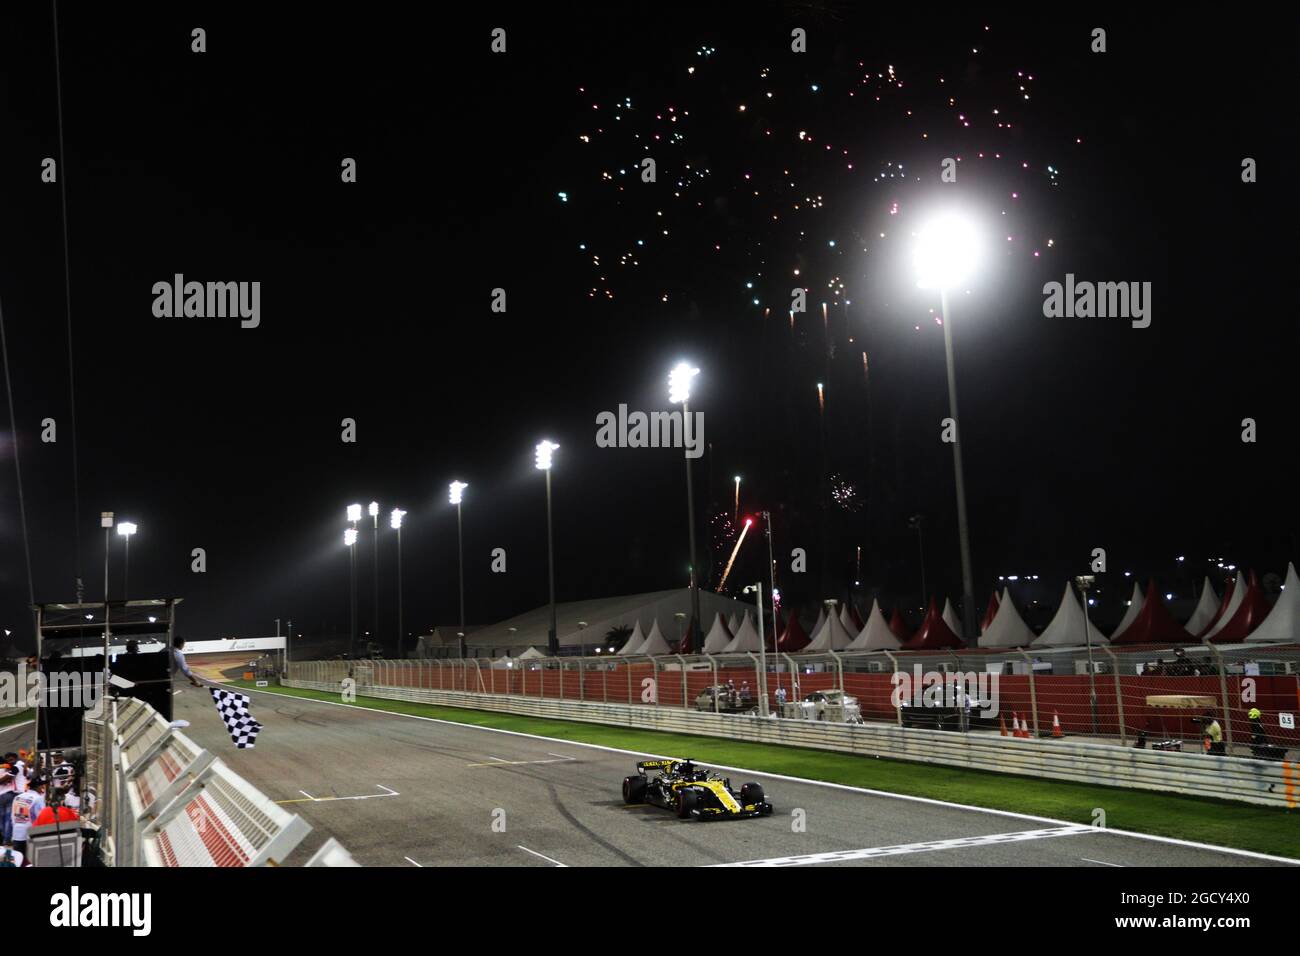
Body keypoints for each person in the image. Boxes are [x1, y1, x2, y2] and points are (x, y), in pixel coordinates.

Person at [10, 776, 47, 860]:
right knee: (30, 862)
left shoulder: (17, 797)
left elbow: (12, 817)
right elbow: (41, 818)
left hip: (16, 834)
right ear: (38, 787)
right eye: (42, 785)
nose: (43, 787)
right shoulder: (38, 799)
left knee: (19, 861)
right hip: (29, 835)